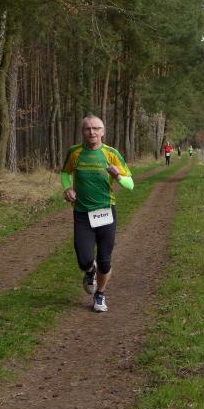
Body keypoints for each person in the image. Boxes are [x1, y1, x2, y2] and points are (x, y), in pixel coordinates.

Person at [60, 115, 134, 312]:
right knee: (84, 259)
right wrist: (67, 188)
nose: (92, 132)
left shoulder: (111, 154)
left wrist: (118, 176)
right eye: (87, 129)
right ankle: (90, 270)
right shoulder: (75, 152)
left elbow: (130, 184)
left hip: (106, 212)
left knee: (105, 260)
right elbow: (65, 172)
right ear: (82, 132)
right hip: (82, 213)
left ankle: (100, 294)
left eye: (96, 128)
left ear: (103, 131)